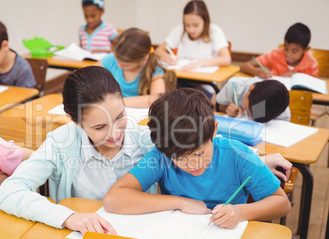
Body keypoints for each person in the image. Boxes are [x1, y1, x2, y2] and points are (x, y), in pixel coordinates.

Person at [0, 66, 157, 235]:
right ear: (75, 121)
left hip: (140, 235)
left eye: (120, 117)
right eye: (100, 127)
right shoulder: (60, 143)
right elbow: (9, 192)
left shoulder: (146, 141)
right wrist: (68, 217)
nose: (114, 133)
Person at [103, 88, 291, 229]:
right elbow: (113, 200)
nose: (192, 164)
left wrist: (241, 212)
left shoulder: (237, 154)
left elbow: (282, 204)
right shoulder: (163, 156)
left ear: (214, 130)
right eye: (179, 158)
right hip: (178, 237)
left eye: (199, 153)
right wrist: (180, 202)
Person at [154, 0, 231, 103]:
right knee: (169, 94)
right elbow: (158, 51)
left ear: (205, 21)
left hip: (204, 83)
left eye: (196, 25)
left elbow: (226, 59)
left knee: (189, 100)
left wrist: (199, 63)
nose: (191, 30)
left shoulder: (214, 31)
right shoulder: (180, 30)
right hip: (180, 78)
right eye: (187, 25)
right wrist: (167, 57)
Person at [97, 28, 166, 108]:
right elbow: (87, 74)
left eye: (125, 65)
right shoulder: (113, 59)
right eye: (117, 61)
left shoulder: (154, 70)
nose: (119, 66)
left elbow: (157, 99)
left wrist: (117, 101)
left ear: (144, 58)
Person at [241, 23, 318, 78]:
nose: (288, 54)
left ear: (305, 49)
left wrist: (298, 76)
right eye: (286, 48)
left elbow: (314, 84)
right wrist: (257, 72)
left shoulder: (312, 64)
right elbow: (244, 66)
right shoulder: (275, 54)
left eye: (294, 51)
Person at [216, 77, 290, 122]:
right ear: (250, 89)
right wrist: (227, 109)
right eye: (247, 110)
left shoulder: (281, 108)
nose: (252, 118)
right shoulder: (234, 85)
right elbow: (219, 106)